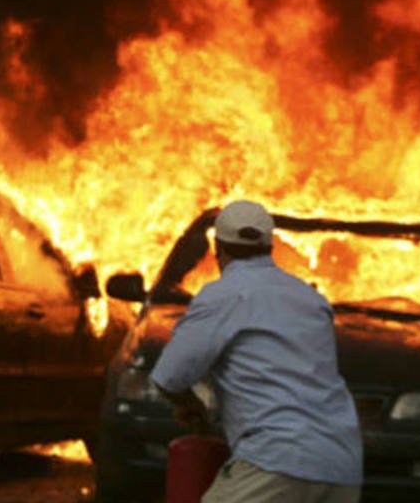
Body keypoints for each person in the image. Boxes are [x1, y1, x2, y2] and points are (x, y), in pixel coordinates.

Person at [150, 200, 363, 503]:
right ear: (269, 245)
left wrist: (193, 407)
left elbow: (169, 377)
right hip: (341, 465)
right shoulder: (311, 299)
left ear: (217, 247)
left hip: (275, 461)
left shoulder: (223, 294)